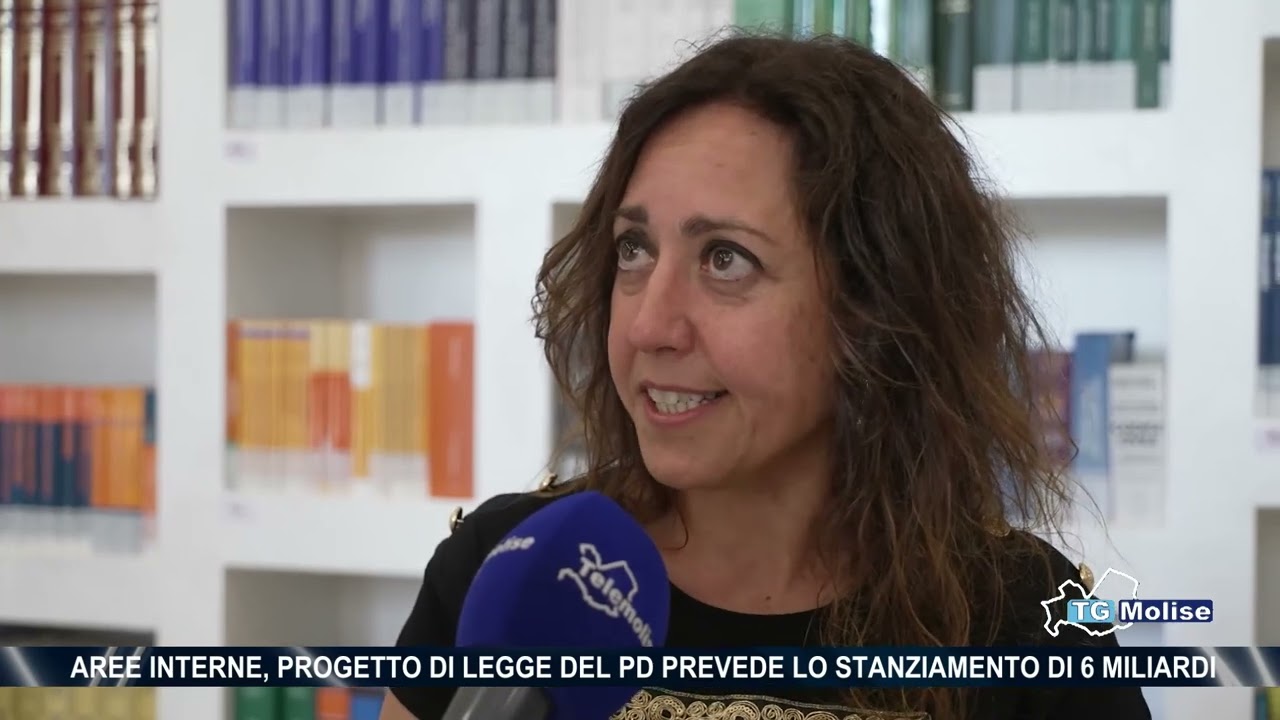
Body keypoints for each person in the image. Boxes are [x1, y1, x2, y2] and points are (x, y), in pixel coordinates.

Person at [380, 31, 1152, 720]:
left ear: (874, 308)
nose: (649, 326)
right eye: (634, 250)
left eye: (726, 260)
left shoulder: (1029, 625)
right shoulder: (509, 570)